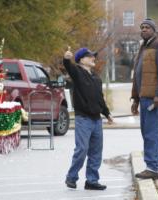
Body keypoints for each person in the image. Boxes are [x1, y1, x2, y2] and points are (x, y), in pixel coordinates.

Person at [63, 47, 113, 190]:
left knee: (96, 152)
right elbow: (68, 66)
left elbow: (100, 99)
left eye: (93, 56)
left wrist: (107, 113)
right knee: (82, 149)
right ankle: (71, 177)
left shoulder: (96, 78)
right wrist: (66, 58)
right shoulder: (77, 72)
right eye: (90, 56)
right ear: (81, 59)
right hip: (83, 119)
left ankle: (91, 181)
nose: (93, 58)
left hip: (97, 120)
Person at [131, 18, 158, 179]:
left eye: (147, 27)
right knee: (150, 132)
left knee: (150, 133)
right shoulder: (143, 47)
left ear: (153, 30)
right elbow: (138, 75)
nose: (143, 29)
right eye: (142, 27)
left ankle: (151, 167)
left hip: (154, 98)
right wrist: (135, 99)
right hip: (143, 98)